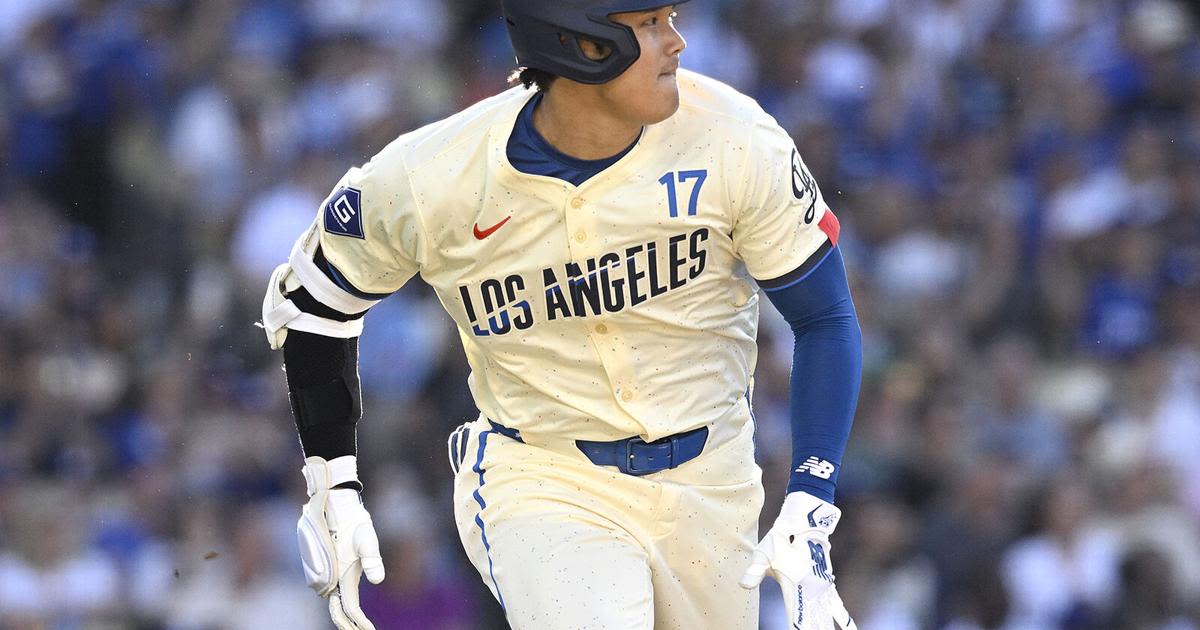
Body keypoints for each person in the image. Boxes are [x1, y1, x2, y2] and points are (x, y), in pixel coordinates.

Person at [261, 1, 862, 628]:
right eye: (651, 23)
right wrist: (332, 478)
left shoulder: (735, 137)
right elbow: (312, 303)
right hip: (545, 477)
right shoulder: (434, 175)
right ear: (582, 43)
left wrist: (809, 499)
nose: (678, 43)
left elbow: (825, 320)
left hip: (714, 481)